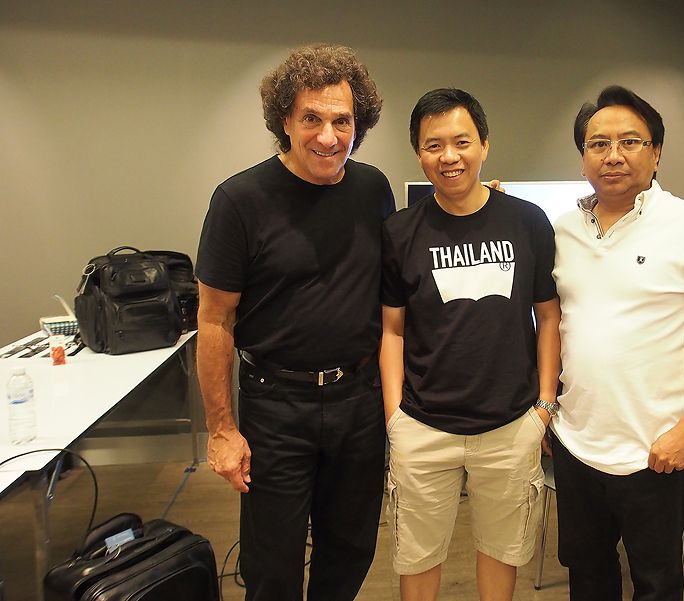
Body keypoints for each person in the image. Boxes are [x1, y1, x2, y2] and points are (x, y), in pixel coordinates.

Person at [195, 44, 395, 601]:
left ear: (358, 124)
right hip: (275, 406)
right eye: (312, 119)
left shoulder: (373, 189)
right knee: (273, 564)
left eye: (342, 121)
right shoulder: (240, 200)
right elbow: (214, 321)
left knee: (351, 550)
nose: (328, 137)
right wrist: (221, 429)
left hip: (358, 401)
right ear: (284, 120)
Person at [551, 85, 684, 601]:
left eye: (630, 141)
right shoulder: (562, 231)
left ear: (657, 152)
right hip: (575, 445)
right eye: (598, 144)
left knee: (656, 582)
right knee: (586, 575)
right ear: (583, 157)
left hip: (657, 453)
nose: (613, 155)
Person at [380, 88, 561, 601]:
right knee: (417, 556)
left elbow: (549, 317)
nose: (449, 156)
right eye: (433, 145)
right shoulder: (399, 232)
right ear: (419, 153)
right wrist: (394, 417)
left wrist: (544, 406)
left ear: (484, 144)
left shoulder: (527, 221)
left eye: (462, 142)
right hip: (422, 426)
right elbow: (391, 330)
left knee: (502, 552)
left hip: (511, 424)